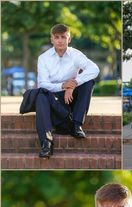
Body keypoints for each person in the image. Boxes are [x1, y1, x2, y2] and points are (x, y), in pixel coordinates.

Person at [36, 24, 99, 158]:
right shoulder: (43, 58)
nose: (60, 40)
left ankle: (76, 125)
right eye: (56, 37)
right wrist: (63, 86)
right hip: (53, 100)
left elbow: (94, 69)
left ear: (69, 39)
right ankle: (46, 143)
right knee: (41, 95)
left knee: (88, 82)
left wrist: (74, 84)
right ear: (51, 39)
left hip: (71, 99)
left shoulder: (75, 55)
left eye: (63, 37)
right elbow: (43, 84)